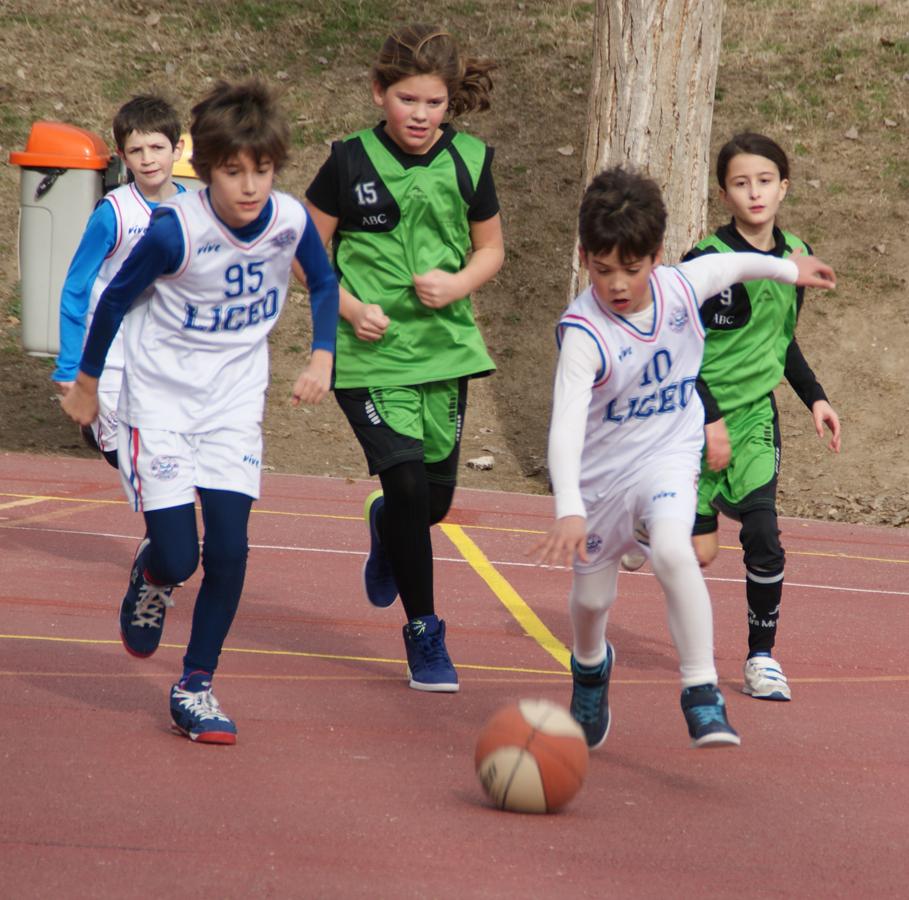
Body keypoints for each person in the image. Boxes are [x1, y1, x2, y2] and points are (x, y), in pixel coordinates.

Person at [61, 79, 339, 744]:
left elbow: (323, 281)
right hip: (157, 402)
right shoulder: (173, 232)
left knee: (233, 550)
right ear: (207, 168)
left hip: (233, 405)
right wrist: (88, 383)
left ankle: (196, 686)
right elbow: (111, 302)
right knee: (181, 555)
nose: (249, 187)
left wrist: (322, 355)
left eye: (262, 171)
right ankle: (153, 575)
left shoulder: (290, 221)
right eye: (234, 172)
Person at [532, 166, 836, 749]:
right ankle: (591, 666)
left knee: (675, 551)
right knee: (592, 601)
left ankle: (701, 691)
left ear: (657, 255)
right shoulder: (583, 333)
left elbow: (730, 265)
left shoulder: (678, 287)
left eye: (632, 267)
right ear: (583, 256)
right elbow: (565, 427)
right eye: (601, 269)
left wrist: (787, 267)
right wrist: (569, 506)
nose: (617, 283)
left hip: (670, 454)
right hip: (602, 478)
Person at [304, 24, 504, 693]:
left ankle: (387, 525)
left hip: (442, 350)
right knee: (408, 481)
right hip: (369, 355)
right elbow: (303, 255)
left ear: (450, 103)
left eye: (433, 103)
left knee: (432, 504)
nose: (419, 115)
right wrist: (352, 309)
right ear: (378, 93)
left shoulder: (469, 160)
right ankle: (424, 634)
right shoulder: (347, 162)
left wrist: (458, 283)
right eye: (407, 100)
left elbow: (490, 252)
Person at [685, 132, 841, 702]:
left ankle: (760, 658)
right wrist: (707, 420)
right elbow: (676, 354)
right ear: (725, 193)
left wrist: (816, 398)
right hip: (693, 415)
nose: (755, 192)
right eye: (741, 183)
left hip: (754, 418)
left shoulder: (796, 253)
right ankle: (647, 517)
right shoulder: (704, 263)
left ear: (784, 188)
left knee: (764, 537)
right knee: (699, 553)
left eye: (765, 181)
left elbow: (783, 341)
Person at [52, 95, 185, 468]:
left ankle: (161, 527)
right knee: (130, 456)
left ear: (178, 149)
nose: (148, 159)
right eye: (136, 150)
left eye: (157, 147)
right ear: (122, 157)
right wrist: (69, 365)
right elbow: (76, 287)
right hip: (111, 354)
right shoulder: (114, 214)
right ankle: (98, 432)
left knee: (168, 456)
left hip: (165, 353)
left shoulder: (195, 209)